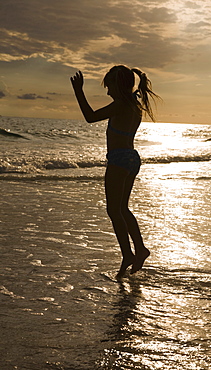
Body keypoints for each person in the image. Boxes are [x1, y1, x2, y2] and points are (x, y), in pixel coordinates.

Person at [70, 65, 159, 278]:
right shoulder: (135, 106)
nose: (108, 92)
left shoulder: (120, 105)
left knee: (113, 211)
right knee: (123, 209)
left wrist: (78, 91)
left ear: (118, 86)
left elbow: (90, 117)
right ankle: (140, 249)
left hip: (118, 160)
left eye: (109, 86)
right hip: (132, 159)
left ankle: (128, 254)